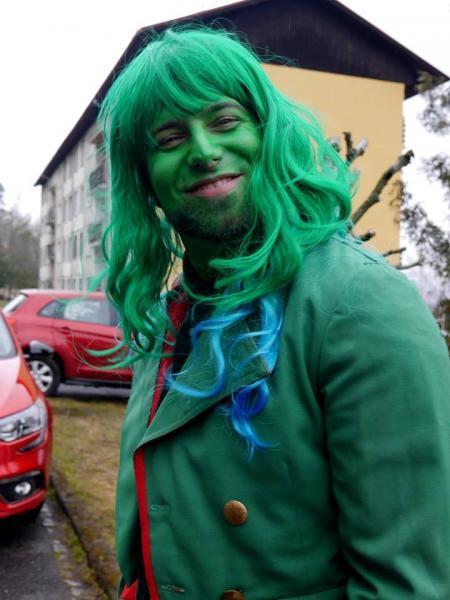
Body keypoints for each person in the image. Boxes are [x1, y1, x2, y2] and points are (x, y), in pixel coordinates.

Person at [99, 26, 450, 600]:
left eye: (224, 120)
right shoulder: (167, 316)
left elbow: (405, 587)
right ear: (146, 179)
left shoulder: (360, 302)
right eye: (169, 138)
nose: (203, 150)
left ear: (267, 132)